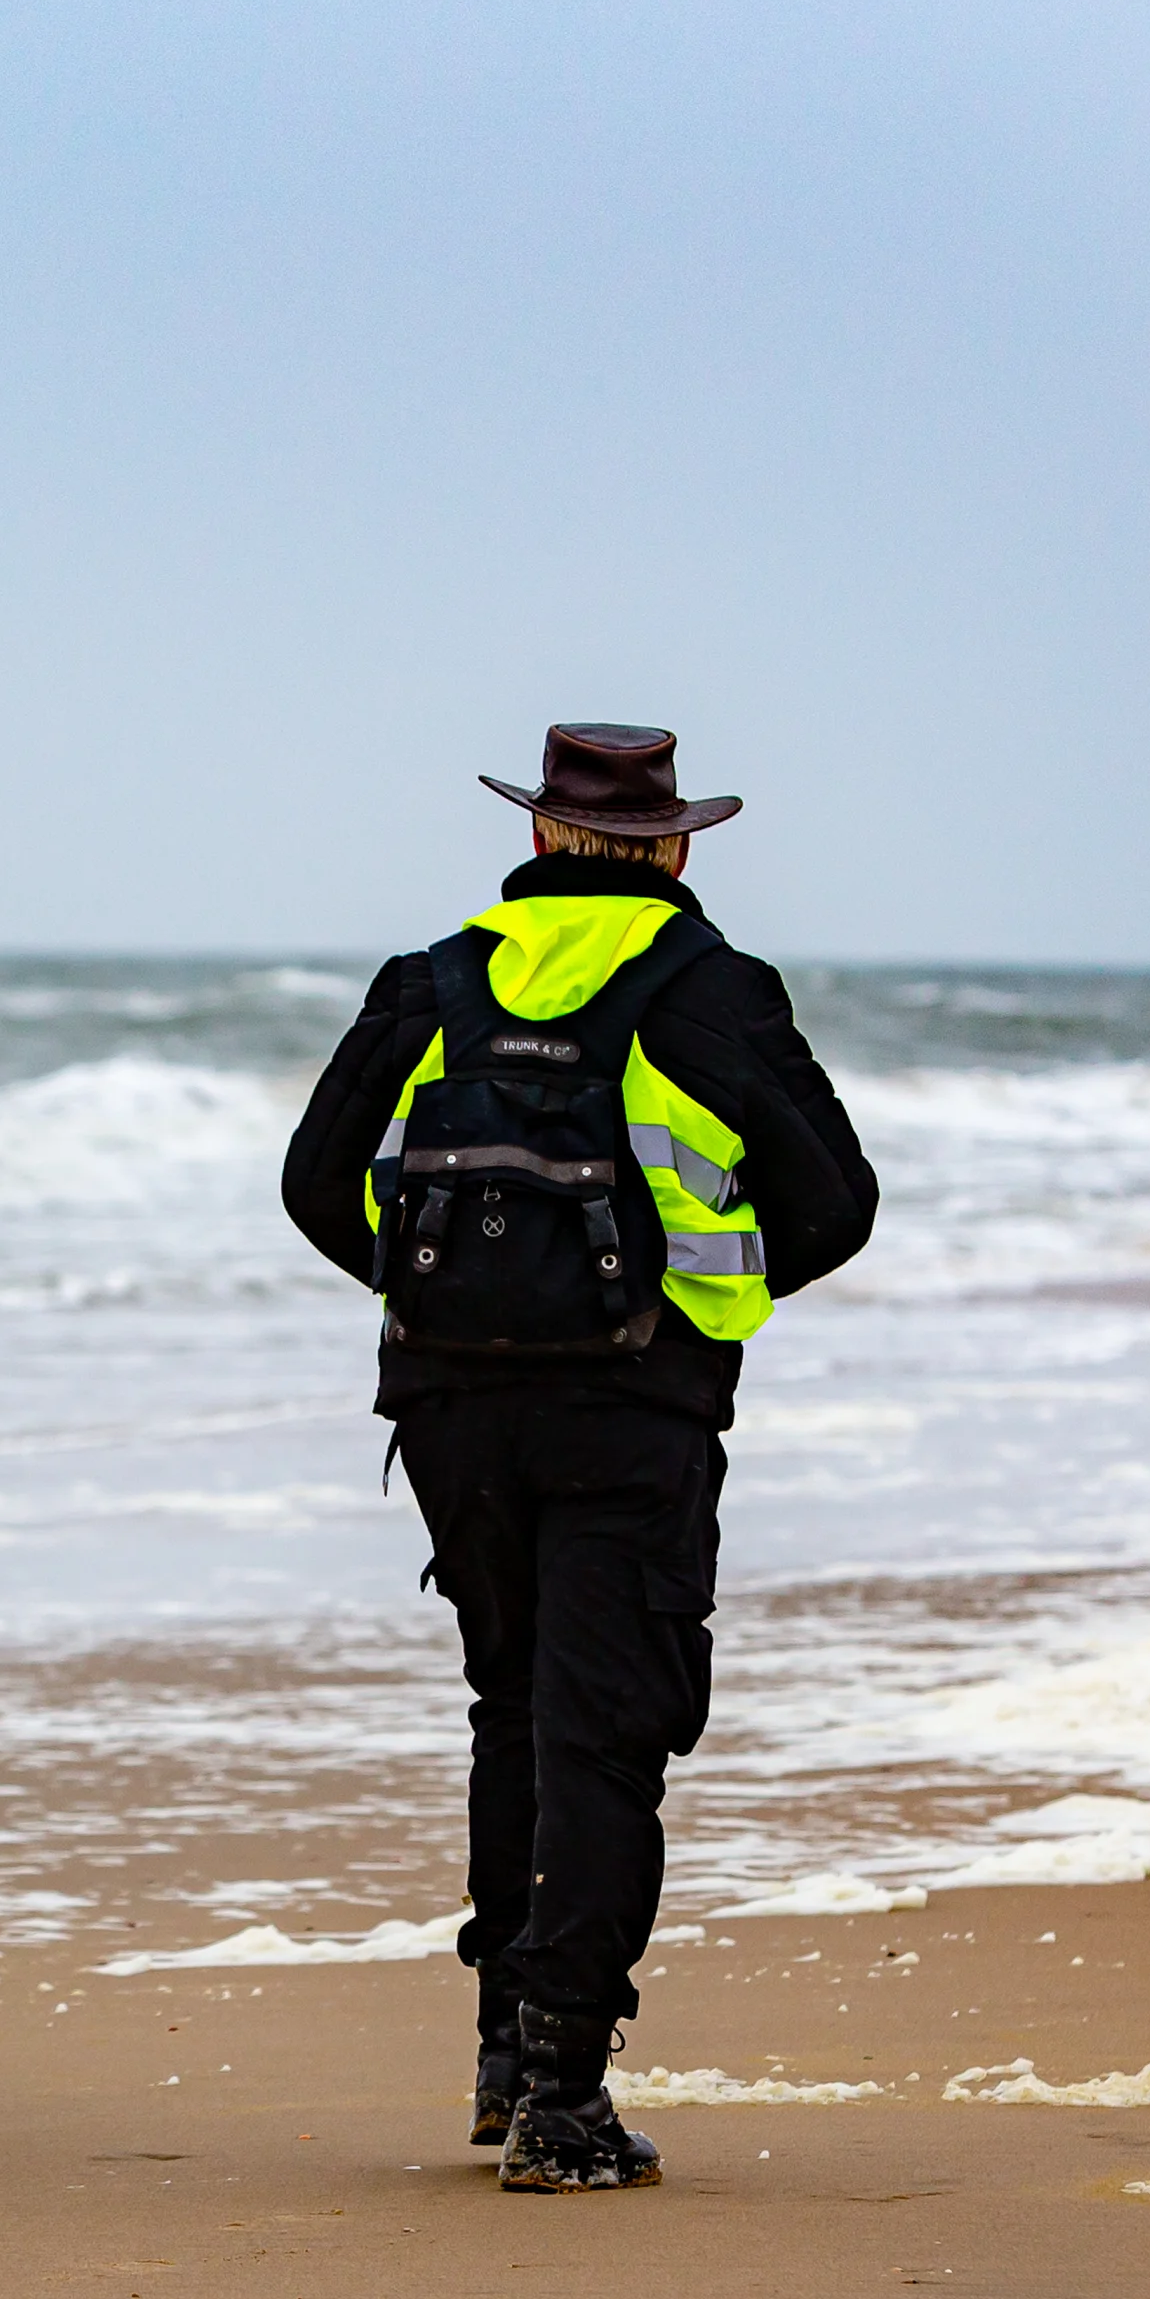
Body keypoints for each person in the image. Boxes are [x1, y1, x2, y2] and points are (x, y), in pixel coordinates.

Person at [280, 724, 878, 2192]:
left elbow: (309, 1185)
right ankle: (562, 2100)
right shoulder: (714, 989)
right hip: (635, 1411)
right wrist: (696, 1309)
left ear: (544, 837)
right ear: (675, 848)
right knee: (603, 1734)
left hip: (449, 1409)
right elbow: (838, 1204)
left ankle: (503, 2053)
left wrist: (434, 1299)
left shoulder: (429, 979)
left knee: (516, 1704)